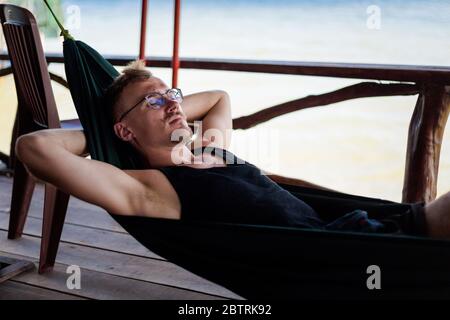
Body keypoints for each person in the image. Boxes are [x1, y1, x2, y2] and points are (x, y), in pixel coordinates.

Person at [15, 60, 450, 239]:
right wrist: (108, 134)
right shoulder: (153, 190)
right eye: (155, 100)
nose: (173, 104)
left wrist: (160, 103)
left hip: (365, 226)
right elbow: (34, 148)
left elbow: (219, 97)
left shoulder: (210, 148)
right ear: (124, 132)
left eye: (174, 95)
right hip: (349, 252)